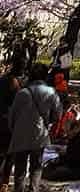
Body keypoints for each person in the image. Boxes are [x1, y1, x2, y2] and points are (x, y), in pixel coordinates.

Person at [6, 62, 62, 192]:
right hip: (40, 134)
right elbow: (58, 114)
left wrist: (14, 130)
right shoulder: (51, 92)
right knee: (36, 166)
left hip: (21, 134)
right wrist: (48, 122)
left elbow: (12, 115)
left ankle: (18, 189)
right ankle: (33, 189)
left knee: (20, 167)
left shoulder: (22, 93)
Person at [42, 114, 80, 182]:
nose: (66, 133)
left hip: (78, 170)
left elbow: (75, 159)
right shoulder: (74, 138)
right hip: (71, 166)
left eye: (68, 131)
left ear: (75, 129)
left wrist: (62, 157)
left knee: (55, 173)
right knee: (48, 167)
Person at [0, 64, 23, 192]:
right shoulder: (15, 85)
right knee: (9, 155)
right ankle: (4, 182)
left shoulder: (2, 80)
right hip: (9, 124)